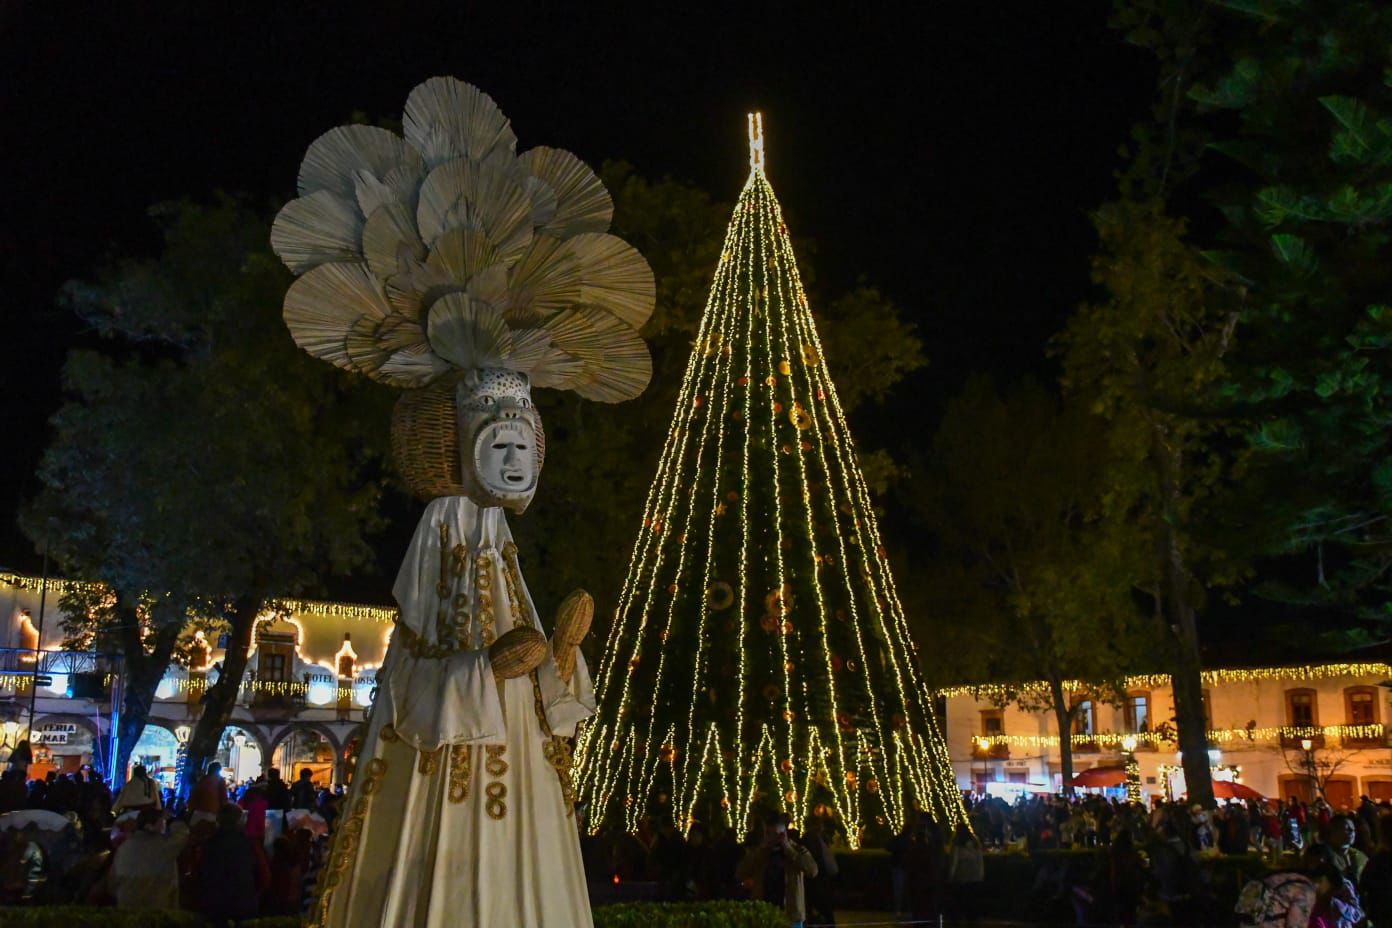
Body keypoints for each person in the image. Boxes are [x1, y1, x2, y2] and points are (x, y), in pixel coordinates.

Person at [737, 812, 818, 928]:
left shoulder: (797, 850)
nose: (772, 838)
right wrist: (762, 849)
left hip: (791, 915)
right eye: (768, 834)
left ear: (783, 834)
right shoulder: (760, 852)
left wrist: (789, 849)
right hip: (764, 914)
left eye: (775, 834)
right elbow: (740, 873)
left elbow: (813, 871)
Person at [195, 804, 268, 926]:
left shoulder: (209, 844)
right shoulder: (250, 844)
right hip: (244, 905)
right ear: (240, 821)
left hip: (214, 906)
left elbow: (198, 874)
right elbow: (265, 876)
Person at [108, 808, 187, 909]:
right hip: (157, 911)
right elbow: (183, 833)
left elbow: (112, 884)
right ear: (152, 825)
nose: (165, 826)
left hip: (127, 911)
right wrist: (173, 819)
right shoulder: (164, 846)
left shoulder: (124, 847)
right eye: (163, 823)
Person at [1305, 814, 1368, 886]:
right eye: (1347, 828)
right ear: (1334, 830)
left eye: (1353, 829)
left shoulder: (1359, 855)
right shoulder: (1319, 853)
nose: (1352, 831)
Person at [946, 823, 984, 928]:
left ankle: (958, 920)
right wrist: (981, 874)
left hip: (961, 877)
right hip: (974, 877)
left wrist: (950, 876)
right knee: (972, 901)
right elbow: (980, 860)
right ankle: (973, 920)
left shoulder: (957, 843)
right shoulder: (975, 842)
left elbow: (955, 862)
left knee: (960, 901)